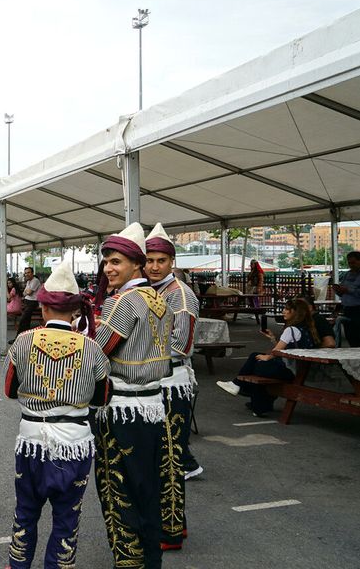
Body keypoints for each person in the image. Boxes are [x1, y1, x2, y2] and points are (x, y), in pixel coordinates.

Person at [3, 262, 110, 569]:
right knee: (67, 518)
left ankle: (18, 565)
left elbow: (9, 389)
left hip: (32, 441)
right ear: (75, 311)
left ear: (44, 307)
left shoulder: (23, 341)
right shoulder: (92, 348)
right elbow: (102, 398)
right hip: (75, 444)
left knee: (26, 512)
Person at [92, 222, 173, 569]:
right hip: (153, 405)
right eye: (106, 262)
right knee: (148, 488)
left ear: (136, 264)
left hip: (122, 410)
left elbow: (97, 355)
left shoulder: (122, 302)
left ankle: (129, 561)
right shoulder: (159, 298)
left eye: (116, 262)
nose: (109, 269)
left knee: (118, 490)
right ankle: (151, 559)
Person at [145, 223, 201, 551]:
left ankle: (171, 531)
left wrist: (137, 351)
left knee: (169, 458)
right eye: (149, 260)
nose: (154, 266)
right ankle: (174, 523)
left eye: (161, 261)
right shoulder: (154, 290)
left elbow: (183, 344)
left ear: (172, 262)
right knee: (160, 458)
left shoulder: (180, 294)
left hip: (172, 383)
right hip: (157, 382)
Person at [217, 298, 320, 416]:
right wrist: (273, 339)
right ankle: (255, 402)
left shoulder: (290, 329)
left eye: (287, 309)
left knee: (255, 361)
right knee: (257, 362)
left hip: (287, 370)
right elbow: (286, 348)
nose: (283, 312)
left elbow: (277, 351)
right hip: (298, 369)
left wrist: (268, 357)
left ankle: (240, 387)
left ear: (294, 312)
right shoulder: (308, 329)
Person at [332, 251, 360, 346]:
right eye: (349, 263)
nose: (351, 265)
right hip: (347, 309)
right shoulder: (347, 274)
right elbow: (342, 292)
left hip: (358, 309)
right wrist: (338, 290)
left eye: (353, 262)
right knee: (350, 335)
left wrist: (349, 290)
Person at [16, 267, 42, 335]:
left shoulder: (35, 281)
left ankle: (18, 335)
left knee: (23, 319)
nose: (26, 274)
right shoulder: (28, 281)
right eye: (25, 273)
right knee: (26, 319)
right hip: (27, 301)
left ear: (32, 273)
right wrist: (27, 292)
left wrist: (27, 292)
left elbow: (29, 292)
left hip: (33, 302)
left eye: (28, 272)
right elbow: (24, 293)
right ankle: (24, 335)